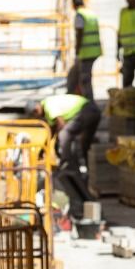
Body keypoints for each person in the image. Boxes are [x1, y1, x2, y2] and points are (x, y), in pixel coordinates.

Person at [37, 91, 102, 219]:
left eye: (36, 113)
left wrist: (61, 151)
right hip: (93, 112)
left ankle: (67, 163)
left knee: (65, 134)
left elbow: (61, 124)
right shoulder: (49, 113)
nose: (37, 116)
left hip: (87, 110)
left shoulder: (49, 105)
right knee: (84, 145)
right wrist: (42, 150)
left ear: (38, 107)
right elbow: (51, 132)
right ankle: (86, 172)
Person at [69, 0, 103, 100]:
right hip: (95, 50)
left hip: (86, 52)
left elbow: (80, 33)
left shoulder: (80, 15)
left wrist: (77, 50)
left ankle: (88, 101)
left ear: (74, 5)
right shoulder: (90, 13)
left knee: (85, 79)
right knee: (78, 74)